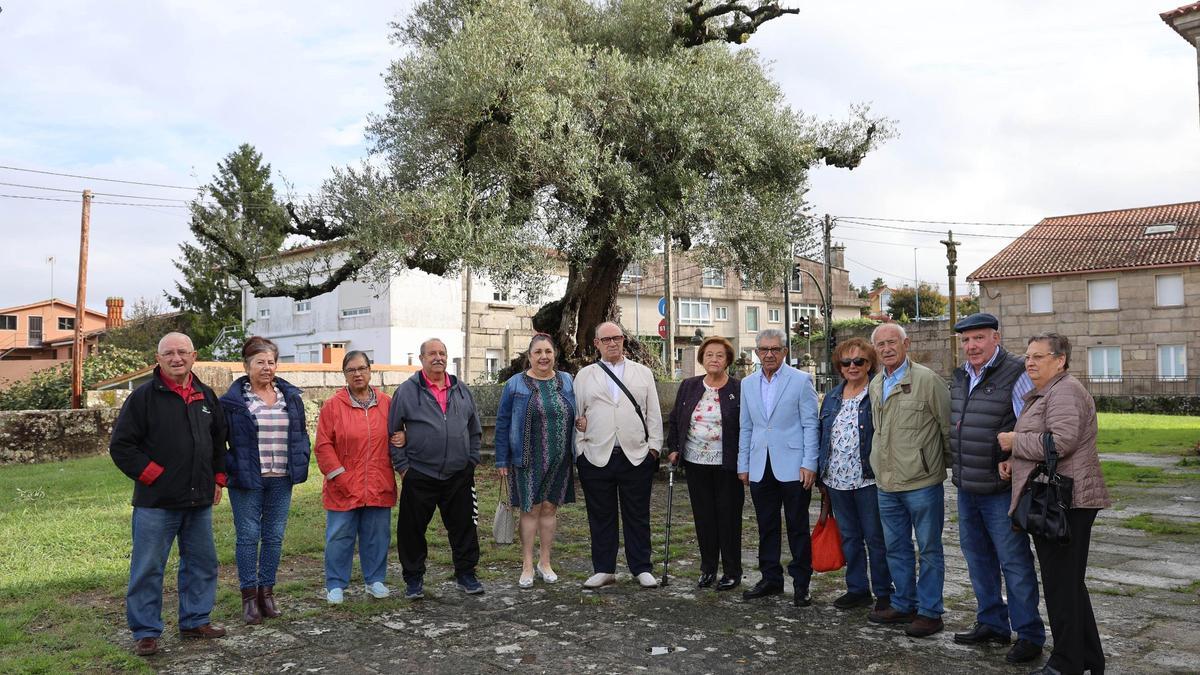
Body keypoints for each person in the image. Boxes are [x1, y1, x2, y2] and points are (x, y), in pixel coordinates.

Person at [108, 332, 227, 657]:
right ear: (158, 359)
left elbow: (219, 441)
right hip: (156, 503)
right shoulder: (143, 398)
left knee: (202, 564)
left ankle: (195, 620)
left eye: (182, 352)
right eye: (169, 353)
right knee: (148, 567)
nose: (176, 358)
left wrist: (218, 477)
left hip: (199, 501)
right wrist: (153, 476)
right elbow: (121, 446)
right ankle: (146, 631)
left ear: (194, 356)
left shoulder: (206, 396)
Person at [999, 333, 1110, 675]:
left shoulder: (1064, 390)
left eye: (1038, 357)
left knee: (1061, 585)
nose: (1029, 362)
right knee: (1069, 583)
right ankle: (1089, 657)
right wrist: (1013, 461)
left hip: (1067, 502)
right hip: (1063, 499)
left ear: (1060, 360)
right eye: (1027, 356)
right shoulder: (1050, 390)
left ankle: (1066, 664)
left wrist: (1015, 442)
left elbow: (1060, 442)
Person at [948, 314, 1045, 664]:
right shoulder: (960, 375)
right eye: (966, 340)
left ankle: (1029, 633)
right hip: (967, 484)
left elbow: (1031, 425)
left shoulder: (1017, 372)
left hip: (1001, 486)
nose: (971, 346)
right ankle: (991, 622)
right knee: (978, 559)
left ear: (996, 338)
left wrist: (1014, 459)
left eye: (979, 338)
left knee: (1014, 562)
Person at [866, 323, 951, 638]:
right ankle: (904, 603)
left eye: (892, 342)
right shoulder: (876, 384)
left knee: (929, 548)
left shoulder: (928, 381)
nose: (887, 349)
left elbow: (947, 430)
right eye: (881, 345)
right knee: (896, 547)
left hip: (922, 483)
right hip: (886, 484)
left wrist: (937, 466)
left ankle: (930, 612)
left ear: (906, 344)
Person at [219, 336, 311, 623]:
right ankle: (248, 598)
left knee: (274, 537)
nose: (267, 367)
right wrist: (232, 467)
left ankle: (267, 594)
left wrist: (302, 457)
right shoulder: (232, 402)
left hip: (282, 477)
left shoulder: (290, 397)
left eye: (271, 362)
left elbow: (301, 434)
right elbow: (218, 443)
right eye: (260, 362)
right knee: (247, 538)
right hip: (248, 480)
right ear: (246, 366)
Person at [388, 338, 485, 598]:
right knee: (412, 530)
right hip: (420, 473)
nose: (438, 358)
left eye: (442, 353)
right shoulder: (407, 391)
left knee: (464, 527)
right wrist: (404, 468)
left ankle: (466, 574)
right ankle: (413, 580)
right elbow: (393, 432)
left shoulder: (461, 389)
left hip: (458, 474)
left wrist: (471, 460)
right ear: (421, 358)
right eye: (432, 353)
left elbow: (475, 430)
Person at [573, 321, 664, 589]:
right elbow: (578, 414)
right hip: (596, 454)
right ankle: (604, 568)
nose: (613, 343)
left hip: (635, 454)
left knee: (637, 513)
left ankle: (641, 567)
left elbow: (653, 413)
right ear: (597, 344)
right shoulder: (585, 375)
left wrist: (654, 448)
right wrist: (580, 448)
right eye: (606, 339)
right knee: (600, 515)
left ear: (624, 340)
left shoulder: (642, 373)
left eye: (617, 338)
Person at [738, 328, 819, 607]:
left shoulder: (801, 380)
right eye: (764, 349)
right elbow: (746, 427)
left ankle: (801, 584)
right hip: (761, 465)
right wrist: (743, 464)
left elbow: (811, 424)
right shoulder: (747, 384)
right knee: (766, 526)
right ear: (757, 352)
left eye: (775, 349)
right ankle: (770, 578)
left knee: (797, 526)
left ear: (785, 351)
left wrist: (810, 463)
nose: (769, 354)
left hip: (794, 466)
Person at [314, 351, 398, 604]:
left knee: (377, 535)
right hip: (343, 485)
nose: (357, 374)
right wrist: (340, 477)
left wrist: (402, 437)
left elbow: (399, 433)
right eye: (351, 370)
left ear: (371, 371)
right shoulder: (333, 405)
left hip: (378, 483)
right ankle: (336, 584)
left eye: (362, 368)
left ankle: (375, 581)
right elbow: (323, 446)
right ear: (345, 375)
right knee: (339, 536)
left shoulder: (387, 403)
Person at [495, 334, 577, 588]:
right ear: (529, 356)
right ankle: (527, 564)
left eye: (548, 352)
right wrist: (501, 460)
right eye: (538, 352)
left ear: (555, 355)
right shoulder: (515, 385)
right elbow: (503, 423)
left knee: (550, 508)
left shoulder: (567, 380)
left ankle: (545, 562)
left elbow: (579, 410)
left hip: (560, 458)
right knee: (530, 510)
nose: (543, 357)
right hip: (526, 458)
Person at [817, 337, 893, 611]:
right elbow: (822, 434)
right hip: (836, 479)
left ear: (869, 363)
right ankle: (858, 589)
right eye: (846, 362)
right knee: (849, 536)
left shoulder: (877, 393)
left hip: (868, 477)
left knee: (875, 537)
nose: (852, 366)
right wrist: (820, 476)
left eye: (859, 361)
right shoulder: (833, 396)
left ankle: (884, 592)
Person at [665, 336, 743, 591]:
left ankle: (732, 570)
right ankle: (708, 568)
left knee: (728, 517)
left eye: (720, 355)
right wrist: (674, 448)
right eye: (709, 355)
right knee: (704, 517)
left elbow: (748, 426)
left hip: (728, 465)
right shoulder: (689, 386)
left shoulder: (738, 389)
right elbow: (676, 419)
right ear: (702, 358)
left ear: (728, 360)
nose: (714, 359)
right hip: (696, 462)